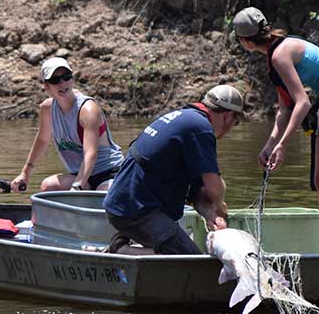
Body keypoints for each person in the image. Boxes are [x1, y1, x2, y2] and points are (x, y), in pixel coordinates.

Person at [231, 6, 319, 253]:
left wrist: (283, 145)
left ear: (245, 41)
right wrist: (270, 143)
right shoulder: (274, 55)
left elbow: (302, 102)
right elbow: (285, 107)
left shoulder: (279, 55)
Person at [102, 85, 246, 255]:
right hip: (136, 211)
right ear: (228, 117)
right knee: (187, 258)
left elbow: (198, 193)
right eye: (235, 123)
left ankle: (129, 245)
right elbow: (214, 189)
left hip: (125, 205)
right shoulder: (200, 128)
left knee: (184, 252)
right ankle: (122, 250)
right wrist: (219, 205)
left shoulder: (186, 120)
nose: (230, 128)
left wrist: (211, 216)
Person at [11, 57, 124, 193]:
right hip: (79, 174)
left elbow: (90, 154)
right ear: (47, 86)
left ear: (72, 79)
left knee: (103, 196)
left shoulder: (87, 109)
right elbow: (42, 140)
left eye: (66, 77)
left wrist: (77, 187)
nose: (62, 83)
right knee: (48, 186)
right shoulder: (47, 109)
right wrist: (25, 173)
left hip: (108, 172)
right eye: (55, 80)